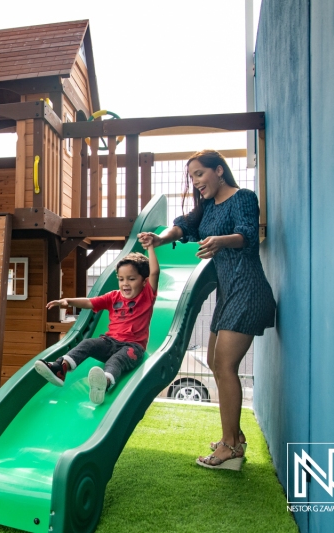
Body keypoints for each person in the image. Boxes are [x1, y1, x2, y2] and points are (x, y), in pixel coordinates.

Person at [138, 149, 276, 471]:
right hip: (228, 292)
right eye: (191, 177)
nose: (195, 182)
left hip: (248, 289)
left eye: (199, 174)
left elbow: (247, 237)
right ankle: (234, 436)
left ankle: (229, 447)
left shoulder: (243, 197)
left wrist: (219, 241)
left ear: (218, 170)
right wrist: (159, 239)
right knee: (216, 363)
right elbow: (183, 227)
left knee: (225, 366)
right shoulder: (207, 209)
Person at [35, 246, 159, 405]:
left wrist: (150, 246)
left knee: (116, 361)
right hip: (109, 342)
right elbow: (89, 301)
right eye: (121, 279)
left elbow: (154, 272)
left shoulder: (147, 296)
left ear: (144, 281)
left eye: (131, 279)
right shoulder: (113, 296)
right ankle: (61, 368)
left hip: (132, 347)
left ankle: (104, 384)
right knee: (88, 343)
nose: (125, 283)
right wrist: (68, 301)